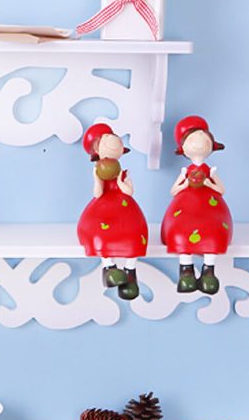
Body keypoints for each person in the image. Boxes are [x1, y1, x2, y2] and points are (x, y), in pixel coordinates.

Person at [160, 115, 233, 294]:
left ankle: (209, 272)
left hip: (210, 207)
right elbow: (173, 191)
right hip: (185, 207)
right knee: (182, 232)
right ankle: (187, 272)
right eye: (192, 138)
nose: (199, 139)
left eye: (203, 136)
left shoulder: (211, 171)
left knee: (213, 231)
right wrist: (186, 183)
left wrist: (208, 183)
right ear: (183, 148)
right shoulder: (185, 171)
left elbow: (221, 190)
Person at [77, 123, 148, 300]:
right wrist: (97, 178)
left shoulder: (123, 173)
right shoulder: (98, 171)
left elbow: (129, 191)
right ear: (97, 151)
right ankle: (109, 268)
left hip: (125, 207)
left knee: (134, 232)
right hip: (102, 208)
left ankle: (130, 272)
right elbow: (97, 194)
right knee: (101, 232)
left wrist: (120, 180)